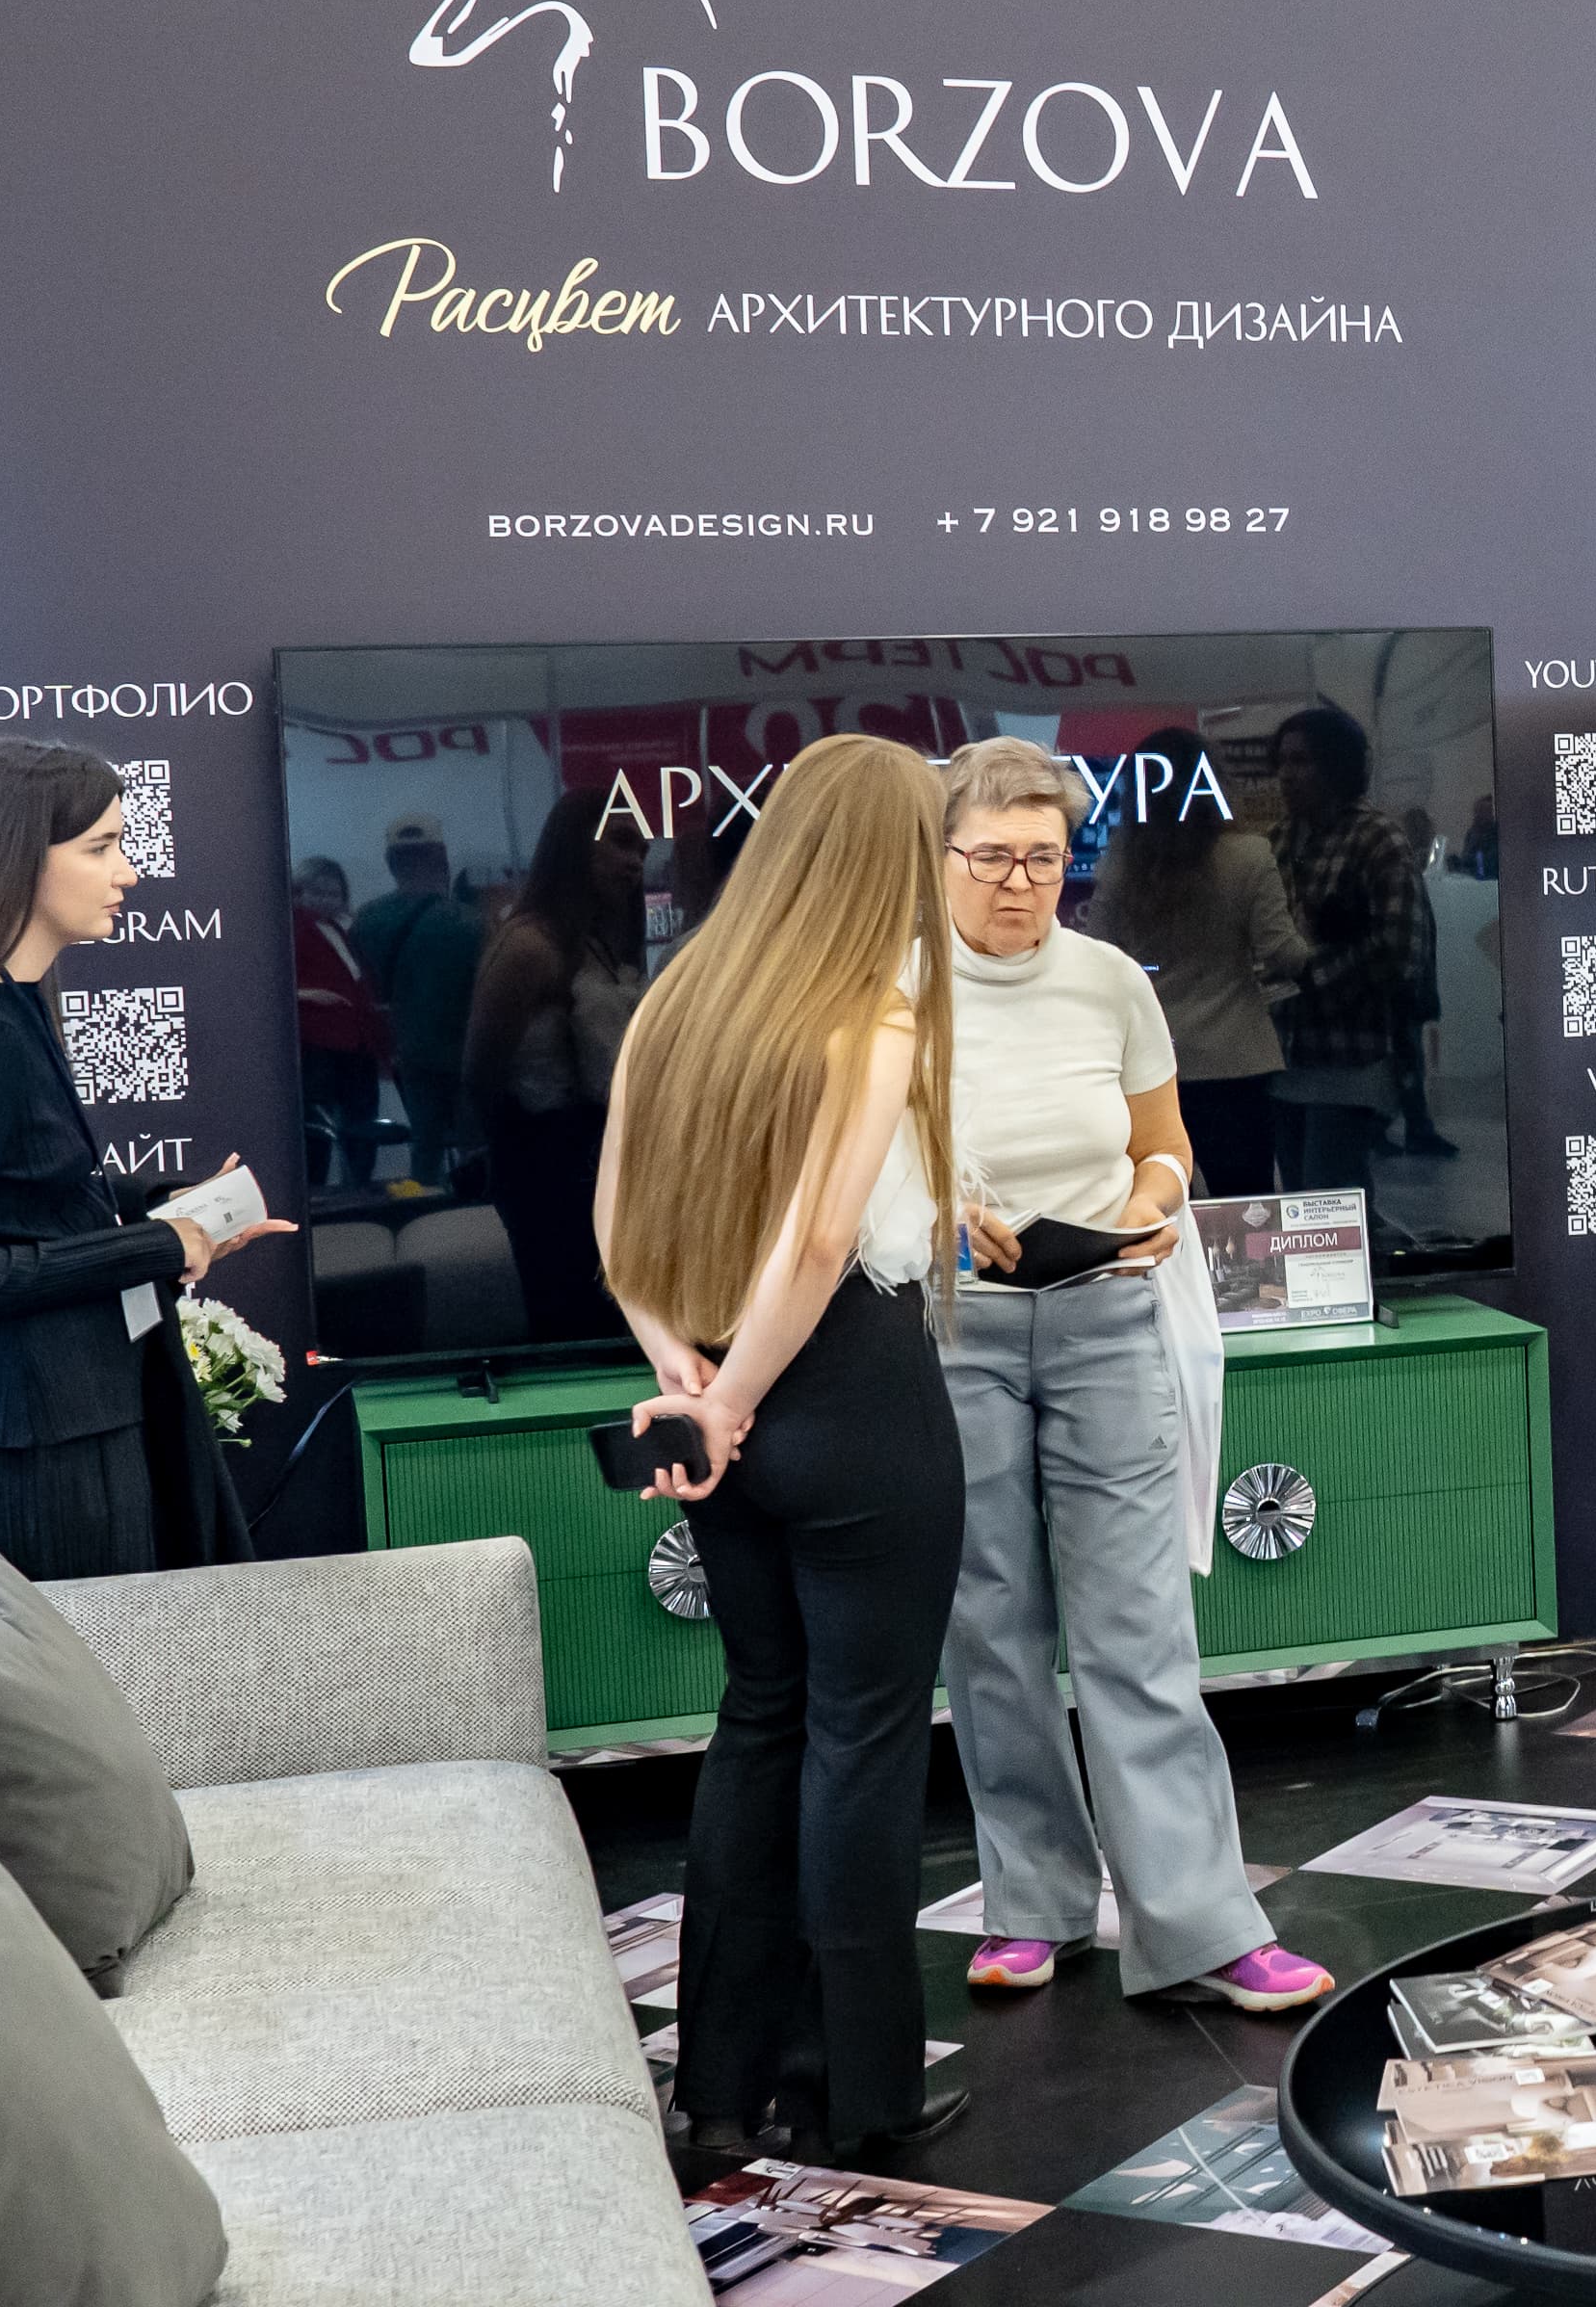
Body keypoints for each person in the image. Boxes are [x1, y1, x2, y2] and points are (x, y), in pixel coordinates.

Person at [594, 734, 970, 2164]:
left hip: (716, 1395)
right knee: (865, 1740)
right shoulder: (871, 1016)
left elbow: (614, 1227)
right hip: (851, 1397)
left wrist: (684, 1379)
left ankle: (719, 2091)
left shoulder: (678, 999)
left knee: (759, 1721)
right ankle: (865, 2093)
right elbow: (822, 1242)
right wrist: (733, 1394)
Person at [928, 740, 1330, 2015]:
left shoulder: (1109, 980)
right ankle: (1032, 1904)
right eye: (994, 856)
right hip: (957, 1327)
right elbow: (853, 1169)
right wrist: (941, 1215)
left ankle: (1202, 1927)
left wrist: (1157, 1203)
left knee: (1140, 1630)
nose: (1019, 883)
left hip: (1108, 1313)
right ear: (941, 856)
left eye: (1044, 857)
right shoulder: (895, 992)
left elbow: (1165, 1146)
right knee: (993, 1629)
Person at [0, 740, 289, 1582]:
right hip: (21, 1434)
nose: (127, 873)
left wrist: (163, 1207)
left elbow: (21, 1196)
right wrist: (155, 1244)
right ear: (12, 859)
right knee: (70, 1663)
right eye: (100, 848)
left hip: (49, 1419)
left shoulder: (10, 1010)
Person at [1084, 724, 1309, 1198]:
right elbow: (1282, 953)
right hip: (1236, 1058)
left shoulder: (1120, 866)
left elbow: (1098, 955)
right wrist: (1339, 951)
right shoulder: (1249, 857)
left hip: (1149, 1059)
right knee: (1245, 1202)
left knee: (1156, 1199)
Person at [464, 788, 647, 1340]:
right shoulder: (529, 946)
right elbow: (480, 1071)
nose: (635, 863)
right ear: (574, 845)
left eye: (641, 850)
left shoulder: (595, 942)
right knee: (570, 1314)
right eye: (621, 843)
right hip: (548, 1163)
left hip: (603, 1153)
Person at [1265, 708, 1420, 1207]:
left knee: (1328, 1198)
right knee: (1297, 1202)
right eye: (1282, 761)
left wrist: (1310, 978)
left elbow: (1400, 948)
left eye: (1302, 761)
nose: (1287, 774)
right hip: (1284, 1058)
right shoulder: (1276, 840)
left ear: (1337, 765)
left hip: (1350, 1060)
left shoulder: (1377, 837)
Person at [352, 819, 484, 1189]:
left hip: (408, 1051)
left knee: (425, 1147)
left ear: (391, 862)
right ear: (442, 858)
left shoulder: (366, 921)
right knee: (475, 1149)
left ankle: (422, 1203)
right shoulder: (470, 923)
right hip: (467, 1052)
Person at [291, 857, 386, 1189]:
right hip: (320, 1042)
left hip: (355, 1040)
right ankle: (317, 1193)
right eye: (317, 892)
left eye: (334, 894)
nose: (326, 900)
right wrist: (306, 994)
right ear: (298, 892)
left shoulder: (342, 929)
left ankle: (356, 1186)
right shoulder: (292, 927)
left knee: (360, 1122)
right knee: (320, 1125)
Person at [1386, 804, 1456, 1159]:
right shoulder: (1404, 870)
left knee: (1405, 1057)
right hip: (1408, 984)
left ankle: (1393, 1128)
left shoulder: (1400, 867)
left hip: (1406, 982)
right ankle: (1414, 1128)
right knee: (1408, 1057)